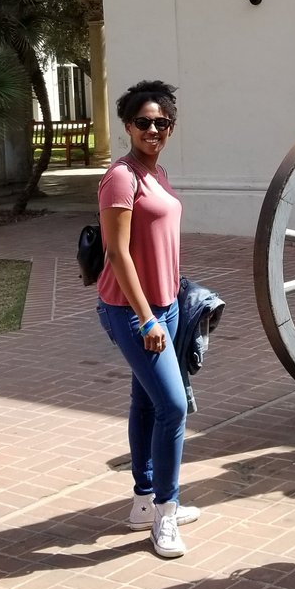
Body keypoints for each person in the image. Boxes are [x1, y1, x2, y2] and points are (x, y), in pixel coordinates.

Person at [95, 79, 198, 559]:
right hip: (133, 311)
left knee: (145, 401)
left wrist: (173, 303)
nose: (152, 129)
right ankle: (166, 511)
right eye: (143, 122)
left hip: (168, 307)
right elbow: (117, 252)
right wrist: (147, 319)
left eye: (161, 122)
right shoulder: (122, 177)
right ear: (127, 126)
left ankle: (143, 498)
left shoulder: (157, 173)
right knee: (173, 408)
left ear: (172, 127)